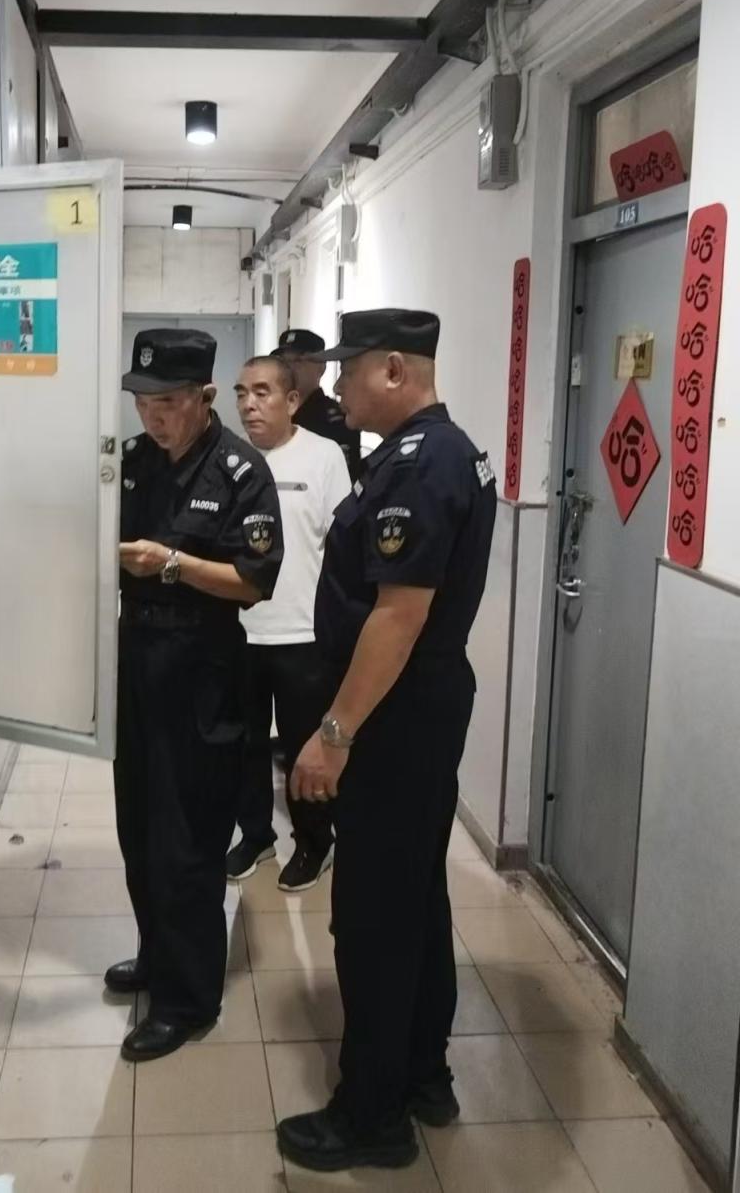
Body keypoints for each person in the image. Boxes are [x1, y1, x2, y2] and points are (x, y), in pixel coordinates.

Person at [275, 308, 497, 1173]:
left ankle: (372, 1114)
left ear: (396, 369)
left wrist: (333, 734)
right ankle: (424, 1073)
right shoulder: (439, 452)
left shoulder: (420, 463)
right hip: (418, 710)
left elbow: (397, 618)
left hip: (393, 718)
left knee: (372, 914)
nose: (335, 385)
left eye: (350, 368)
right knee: (416, 898)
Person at [109, 327, 283, 1062]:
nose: (154, 417)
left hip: (204, 665)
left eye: (169, 403)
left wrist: (172, 564)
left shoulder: (241, 470)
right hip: (136, 658)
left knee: (188, 838)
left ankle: (188, 999)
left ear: (206, 396)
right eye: (143, 402)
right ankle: (158, 955)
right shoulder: (130, 463)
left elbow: (254, 581)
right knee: (139, 826)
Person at [226, 355, 351, 891]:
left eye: (262, 392)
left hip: (304, 634)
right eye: (241, 393)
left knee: (305, 747)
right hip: (241, 631)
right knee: (244, 743)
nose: (249, 405)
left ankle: (315, 842)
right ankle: (255, 836)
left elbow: (343, 549)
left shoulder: (324, 457)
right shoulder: (230, 459)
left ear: (292, 400)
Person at [274, 328, 362, 478]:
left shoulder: (336, 419)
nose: (289, 368)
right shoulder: (275, 412)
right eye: (284, 362)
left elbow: (345, 476)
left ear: (321, 367)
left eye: (298, 361)